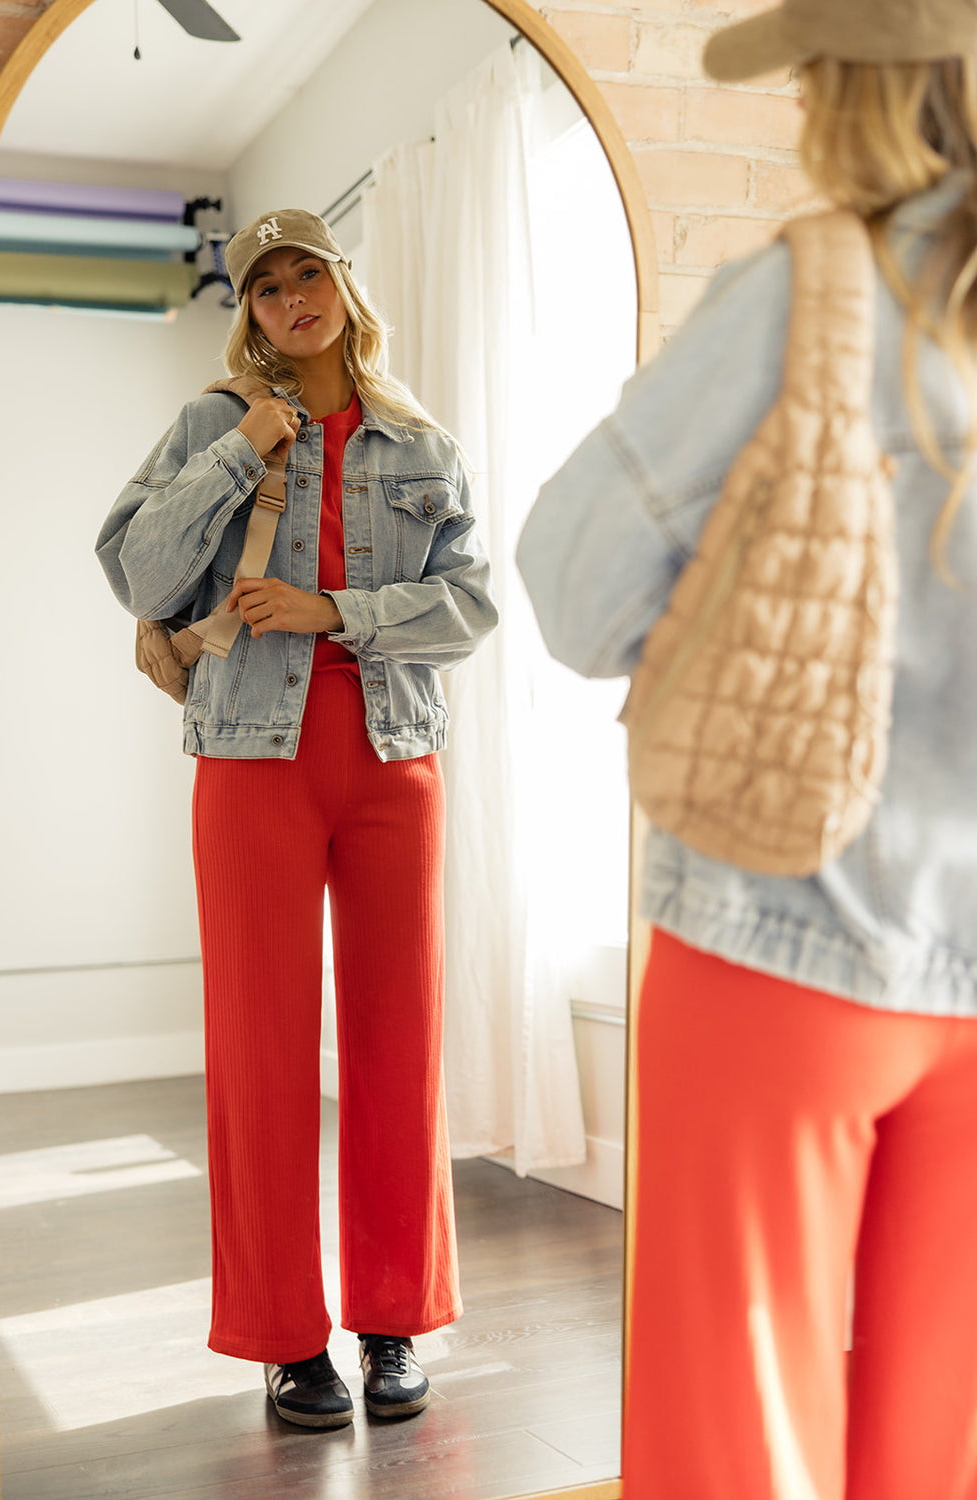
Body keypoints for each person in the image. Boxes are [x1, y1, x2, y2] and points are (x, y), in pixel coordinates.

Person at [517, 3, 977, 1496]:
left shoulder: (818, 293)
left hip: (786, 929)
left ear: (862, 84)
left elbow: (577, 588)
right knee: (946, 1446)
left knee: (738, 1433)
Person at [97, 209, 497, 1430]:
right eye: (265, 287)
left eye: (305, 274)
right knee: (261, 1053)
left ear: (342, 285)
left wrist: (337, 612)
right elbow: (137, 572)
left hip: (392, 761)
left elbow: (470, 609)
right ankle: (284, 1339)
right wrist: (240, 452)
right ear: (251, 313)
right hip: (250, 761)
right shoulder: (212, 423)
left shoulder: (420, 440)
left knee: (397, 1048)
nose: (289, 299)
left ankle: (392, 1320)